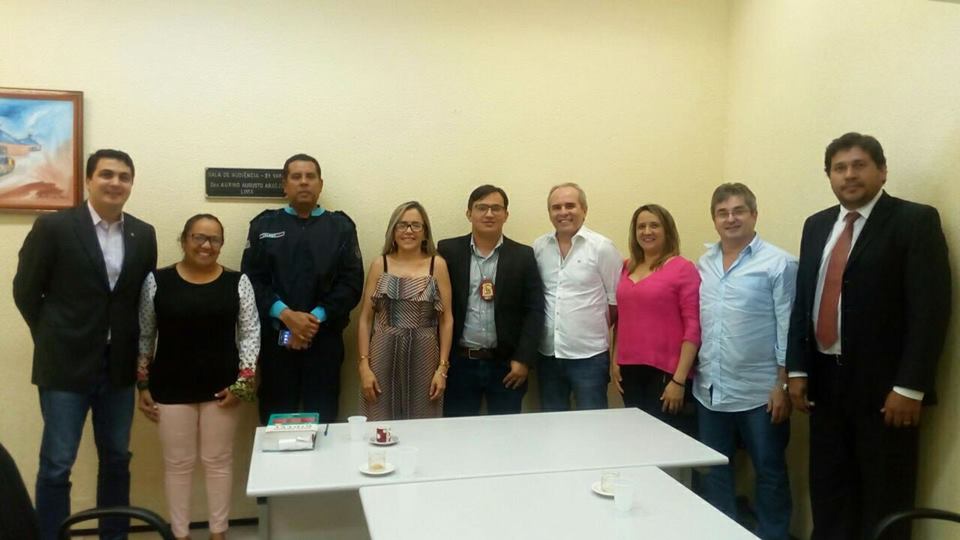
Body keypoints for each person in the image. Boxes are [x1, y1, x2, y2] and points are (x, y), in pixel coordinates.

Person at [786, 133, 952, 540]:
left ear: (882, 171)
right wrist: (796, 369)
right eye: (839, 168)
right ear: (829, 176)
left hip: (886, 390)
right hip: (824, 383)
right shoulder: (816, 225)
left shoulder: (914, 221)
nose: (849, 175)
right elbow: (803, 300)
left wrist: (910, 386)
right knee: (830, 492)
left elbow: (930, 309)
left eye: (859, 165)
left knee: (884, 497)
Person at [13, 149, 157, 540]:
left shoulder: (143, 234)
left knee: (117, 458)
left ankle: (114, 535)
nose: (115, 182)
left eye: (124, 176)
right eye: (106, 174)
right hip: (64, 365)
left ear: (132, 183)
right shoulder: (54, 227)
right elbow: (26, 291)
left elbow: (141, 298)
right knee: (57, 462)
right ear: (89, 180)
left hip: (118, 366)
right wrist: (54, 336)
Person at [136, 214, 259, 540]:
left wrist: (243, 383)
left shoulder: (238, 282)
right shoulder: (157, 281)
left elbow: (250, 333)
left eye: (214, 239)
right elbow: (145, 334)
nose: (206, 245)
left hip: (223, 387)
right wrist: (142, 382)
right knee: (178, 464)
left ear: (221, 244)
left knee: (218, 461)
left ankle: (218, 532)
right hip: (170, 386)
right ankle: (181, 534)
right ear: (184, 240)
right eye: (199, 237)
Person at [695, 184, 796, 540]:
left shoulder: (779, 263)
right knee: (715, 469)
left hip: (761, 392)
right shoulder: (703, 263)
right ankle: (722, 532)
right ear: (714, 219)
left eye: (738, 211)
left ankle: (773, 534)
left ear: (754, 214)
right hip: (709, 389)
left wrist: (782, 384)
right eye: (722, 213)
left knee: (769, 471)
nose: (731, 219)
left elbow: (788, 327)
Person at [241, 153, 364, 424]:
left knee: (323, 421)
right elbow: (251, 281)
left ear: (320, 184)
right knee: (276, 419)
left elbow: (351, 283)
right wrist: (286, 315)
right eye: (296, 177)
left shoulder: (341, 227)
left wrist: (313, 319)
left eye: (310, 176)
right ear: (285, 185)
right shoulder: (264, 225)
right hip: (278, 340)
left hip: (324, 341)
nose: (304, 182)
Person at [437, 185, 544, 416]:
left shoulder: (523, 256)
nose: (489, 214)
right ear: (469, 214)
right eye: (481, 208)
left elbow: (534, 310)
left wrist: (523, 359)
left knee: (506, 434)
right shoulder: (447, 251)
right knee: (459, 431)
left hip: (507, 366)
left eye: (496, 208)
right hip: (459, 364)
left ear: (506, 215)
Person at [357, 201, 454, 420]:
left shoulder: (437, 265)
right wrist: (364, 366)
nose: (408, 231)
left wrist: (442, 369)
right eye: (402, 225)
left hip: (425, 354)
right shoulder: (379, 264)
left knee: (423, 423)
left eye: (415, 225)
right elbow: (365, 319)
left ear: (425, 232)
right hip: (382, 351)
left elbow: (446, 320)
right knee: (379, 423)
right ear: (392, 231)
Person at [611, 203, 700, 432]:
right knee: (637, 436)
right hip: (629, 370)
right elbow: (622, 318)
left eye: (654, 225)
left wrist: (679, 380)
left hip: (667, 373)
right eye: (641, 227)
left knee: (664, 440)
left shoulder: (682, 268)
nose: (647, 232)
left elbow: (693, 327)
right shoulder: (626, 267)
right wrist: (615, 360)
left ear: (667, 230)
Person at [533, 183, 621, 411]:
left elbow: (615, 304)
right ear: (549, 213)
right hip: (548, 354)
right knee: (552, 422)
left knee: (592, 425)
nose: (563, 212)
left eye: (570, 205)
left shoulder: (602, 248)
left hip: (589, 356)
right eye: (556, 207)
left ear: (584, 209)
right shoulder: (539, 247)